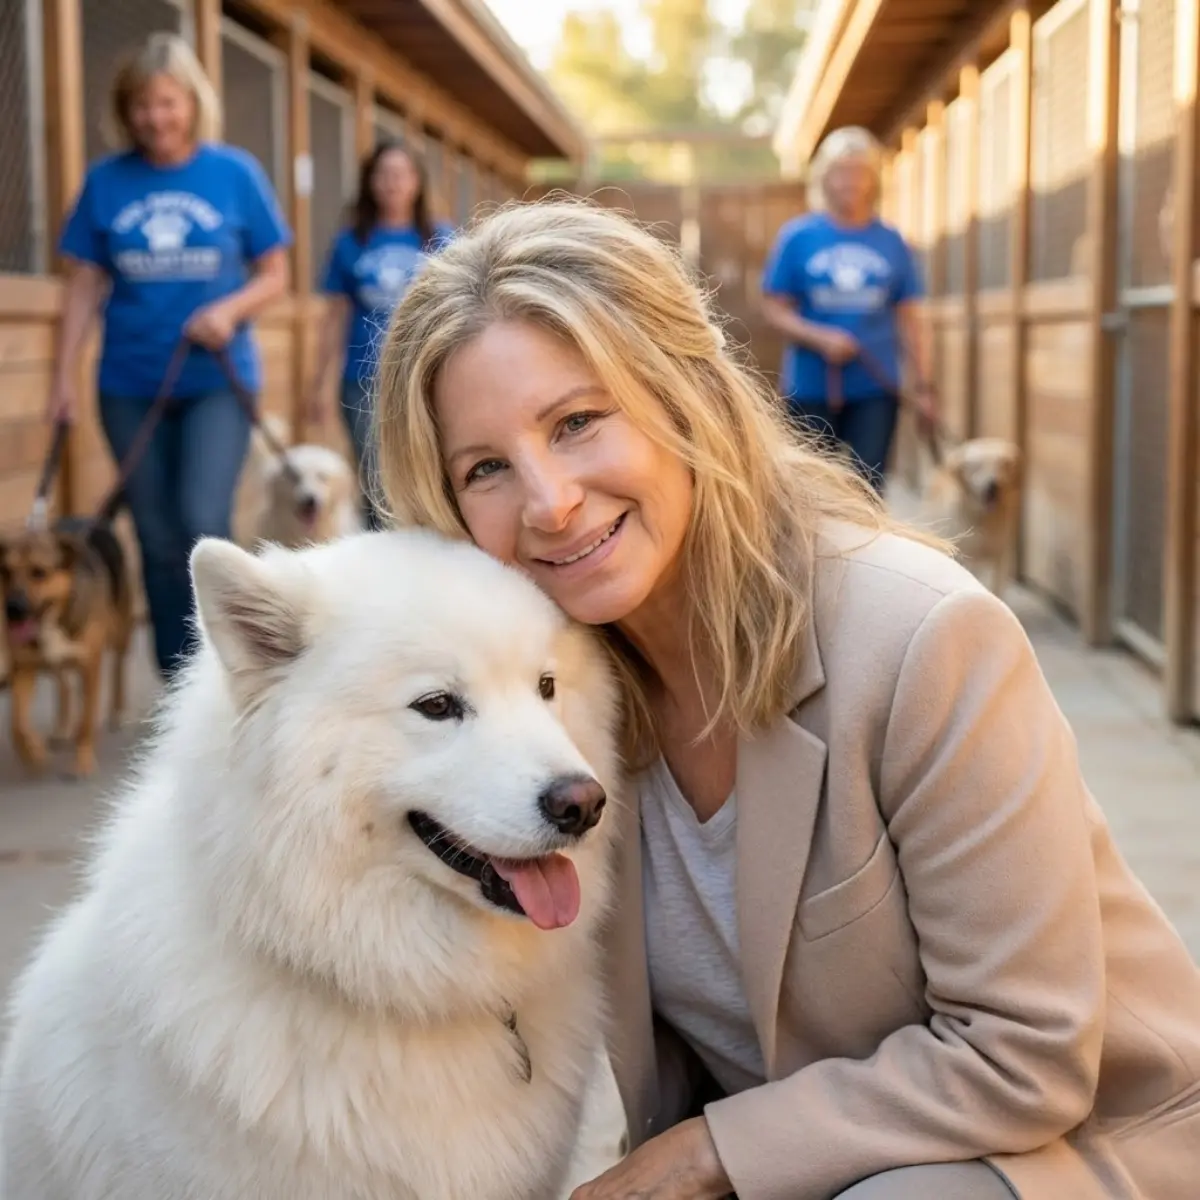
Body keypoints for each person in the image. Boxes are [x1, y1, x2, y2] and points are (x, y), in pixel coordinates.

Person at [372, 199, 1200, 1200]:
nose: (549, 501)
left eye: (578, 422)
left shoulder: (926, 638)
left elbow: (1026, 1054)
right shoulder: (553, 700)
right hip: (817, 1165)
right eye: (486, 469)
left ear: (684, 393)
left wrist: (704, 1154)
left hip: (1073, 1152)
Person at [50, 32, 291, 679]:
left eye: (167, 102)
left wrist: (228, 311)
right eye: (142, 105)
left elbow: (275, 274)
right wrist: (62, 379)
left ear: (192, 102)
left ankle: (226, 670)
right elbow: (84, 286)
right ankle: (175, 678)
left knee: (202, 521)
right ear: (125, 111)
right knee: (156, 538)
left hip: (217, 380)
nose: (155, 118)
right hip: (130, 382)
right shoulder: (106, 182)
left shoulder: (234, 173)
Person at [761, 125, 935, 493]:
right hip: (811, 387)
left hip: (875, 388)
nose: (850, 182)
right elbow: (774, 309)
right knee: (808, 492)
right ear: (824, 178)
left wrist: (924, 386)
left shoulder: (891, 241)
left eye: (859, 172)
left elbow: (912, 319)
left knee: (868, 488)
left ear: (873, 180)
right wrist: (819, 337)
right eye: (840, 172)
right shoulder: (798, 237)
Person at [307, 140, 453, 526]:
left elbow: (458, 311)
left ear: (418, 182)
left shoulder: (440, 238)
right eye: (383, 174)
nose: (392, 183)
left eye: (401, 174)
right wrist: (319, 385)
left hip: (424, 372)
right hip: (362, 378)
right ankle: (382, 545)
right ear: (369, 182)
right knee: (376, 477)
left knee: (429, 467)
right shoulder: (351, 241)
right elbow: (333, 317)